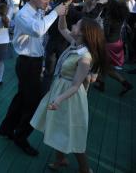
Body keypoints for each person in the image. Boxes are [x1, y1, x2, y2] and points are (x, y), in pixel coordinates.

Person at [30, 17, 108, 173]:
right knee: (58, 126)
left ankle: (85, 168)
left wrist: (58, 99)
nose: (74, 25)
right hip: (60, 89)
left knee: (73, 131)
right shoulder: (76, 43)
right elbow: (62, 28)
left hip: (70, 97)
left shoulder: (85, 57)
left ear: (82, 33)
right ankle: (61, 159)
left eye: (77, 24)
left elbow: (75, 85)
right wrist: (62, 14)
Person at [0, 0, 67, 156]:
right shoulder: (23, 14)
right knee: (32, 103)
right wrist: (54, 13)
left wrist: (46, 12)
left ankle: (6, 128)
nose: (47, 2)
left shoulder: (36, 11)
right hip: (27, 62)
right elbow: (38, 31)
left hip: (33, 62)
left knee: (22, 97)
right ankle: (20, 137)